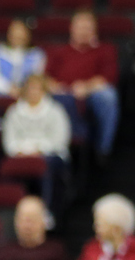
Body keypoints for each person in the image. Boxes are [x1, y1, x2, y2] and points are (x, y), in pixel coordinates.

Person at [44, 10, 119, 163]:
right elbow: (45, 78)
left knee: (108, 96)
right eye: (80, 27)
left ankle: (102, 150)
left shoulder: (105, 50)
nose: (84, 31)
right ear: (72, 28)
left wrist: (87, 87)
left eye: (87, 27)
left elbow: (109, 77)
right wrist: (57, 87)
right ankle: (61, 149)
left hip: (91, 95)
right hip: (63, 94)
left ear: (94, 30)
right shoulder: (59, 51)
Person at [0, 75, 71, 219]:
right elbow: (9, 141)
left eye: (37, 88)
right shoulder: (14, 111)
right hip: (20, 154)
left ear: (44, 90)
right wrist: (21, 150)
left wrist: (38, 149)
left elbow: (60, 140)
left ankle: (47, 213)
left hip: (50, 154)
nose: (33, 92)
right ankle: (12, 216)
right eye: (30, 88)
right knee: (7, 167)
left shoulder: (55, 111)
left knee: (45, 166)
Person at [0, 20, 46, 99]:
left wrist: (23, 90)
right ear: (9, 34)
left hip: (26, 97)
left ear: (28, 34)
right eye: (15, 32)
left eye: (21, 33)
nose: (18, 36)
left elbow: (37, 76)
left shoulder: (36, 55)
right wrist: (8, 88)